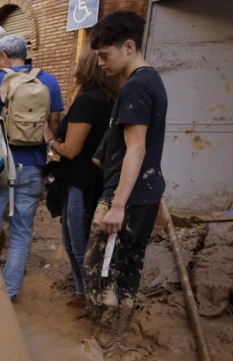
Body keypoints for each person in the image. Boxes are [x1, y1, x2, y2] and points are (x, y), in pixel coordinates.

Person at [83, 11, 167, 343]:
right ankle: (116, 339)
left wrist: (117, 205)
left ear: (128, 46)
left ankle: (103, 344)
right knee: (126, 270)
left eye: (105, 54)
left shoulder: (136, 87)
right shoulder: (151, 81)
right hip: (143, 193)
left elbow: (136, 148)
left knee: (103, 272)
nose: (101, 63)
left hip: (127, 198)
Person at [0, 34, 63, 301]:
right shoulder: (48, 80)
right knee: (21, 231)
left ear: (2, 57)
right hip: (33, 165)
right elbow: (54, 124)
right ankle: (9, 293)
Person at [44, 49, 118, 303]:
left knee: (77, 244)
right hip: (95, 180)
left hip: (80, 182)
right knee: (77, 241)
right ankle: (82, 292)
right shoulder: (110, 99)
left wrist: (50, 140)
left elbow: (71, 149)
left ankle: (88, 296)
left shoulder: (88, 101)